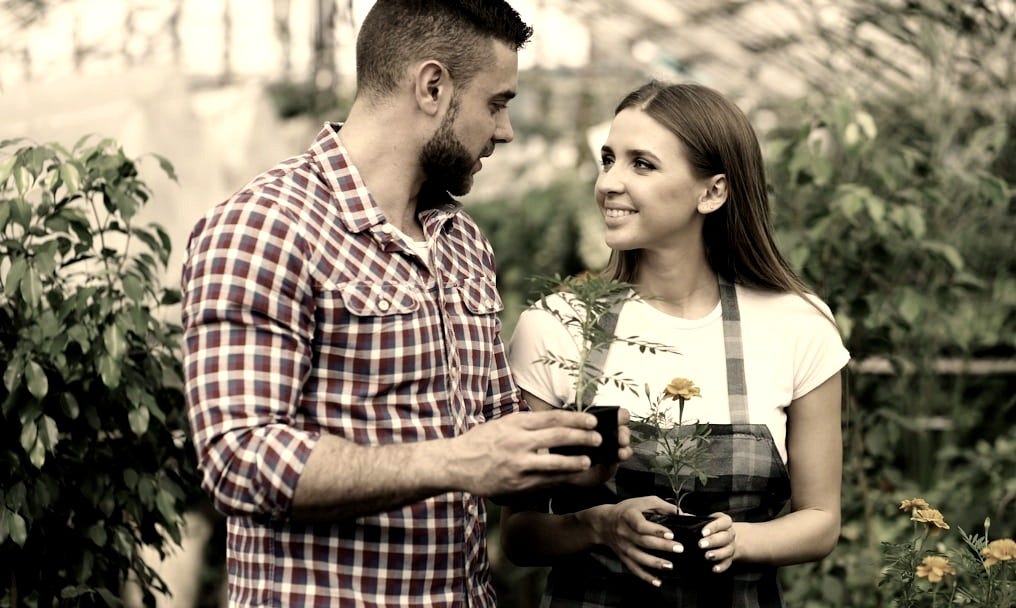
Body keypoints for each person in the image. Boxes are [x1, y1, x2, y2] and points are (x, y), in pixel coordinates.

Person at [180, 2, 626, 606]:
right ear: (432, 87)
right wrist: (454, 462)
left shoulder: (461, 239)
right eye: (497, 103)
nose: (506, 131)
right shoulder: (266, 226)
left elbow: (491, 443)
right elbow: (240, 459)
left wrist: (566, 456)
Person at [502, 81, 850, 607]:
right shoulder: (557, 326)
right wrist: (599, 526)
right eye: (608, 159)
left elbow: (820, 520)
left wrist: (739, 540)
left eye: (642, 164)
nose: (609, 182)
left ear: (712, 192)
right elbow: (519, 534)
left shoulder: (798, 325)